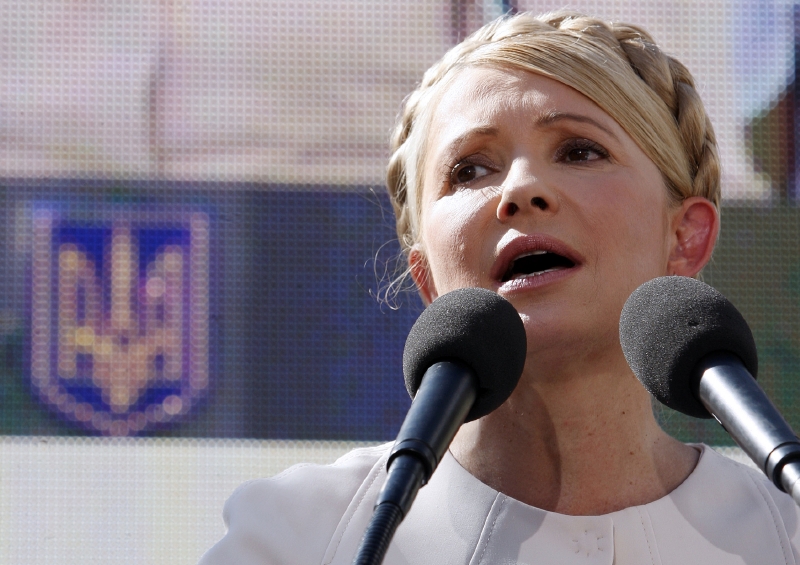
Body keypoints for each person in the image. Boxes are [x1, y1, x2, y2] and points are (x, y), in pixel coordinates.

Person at [199, 11, 800, 564]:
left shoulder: (788, 533)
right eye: (470, 170)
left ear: (686, 236)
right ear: (426, 276)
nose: (520, 190)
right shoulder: (294, 537)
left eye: (579, 151)